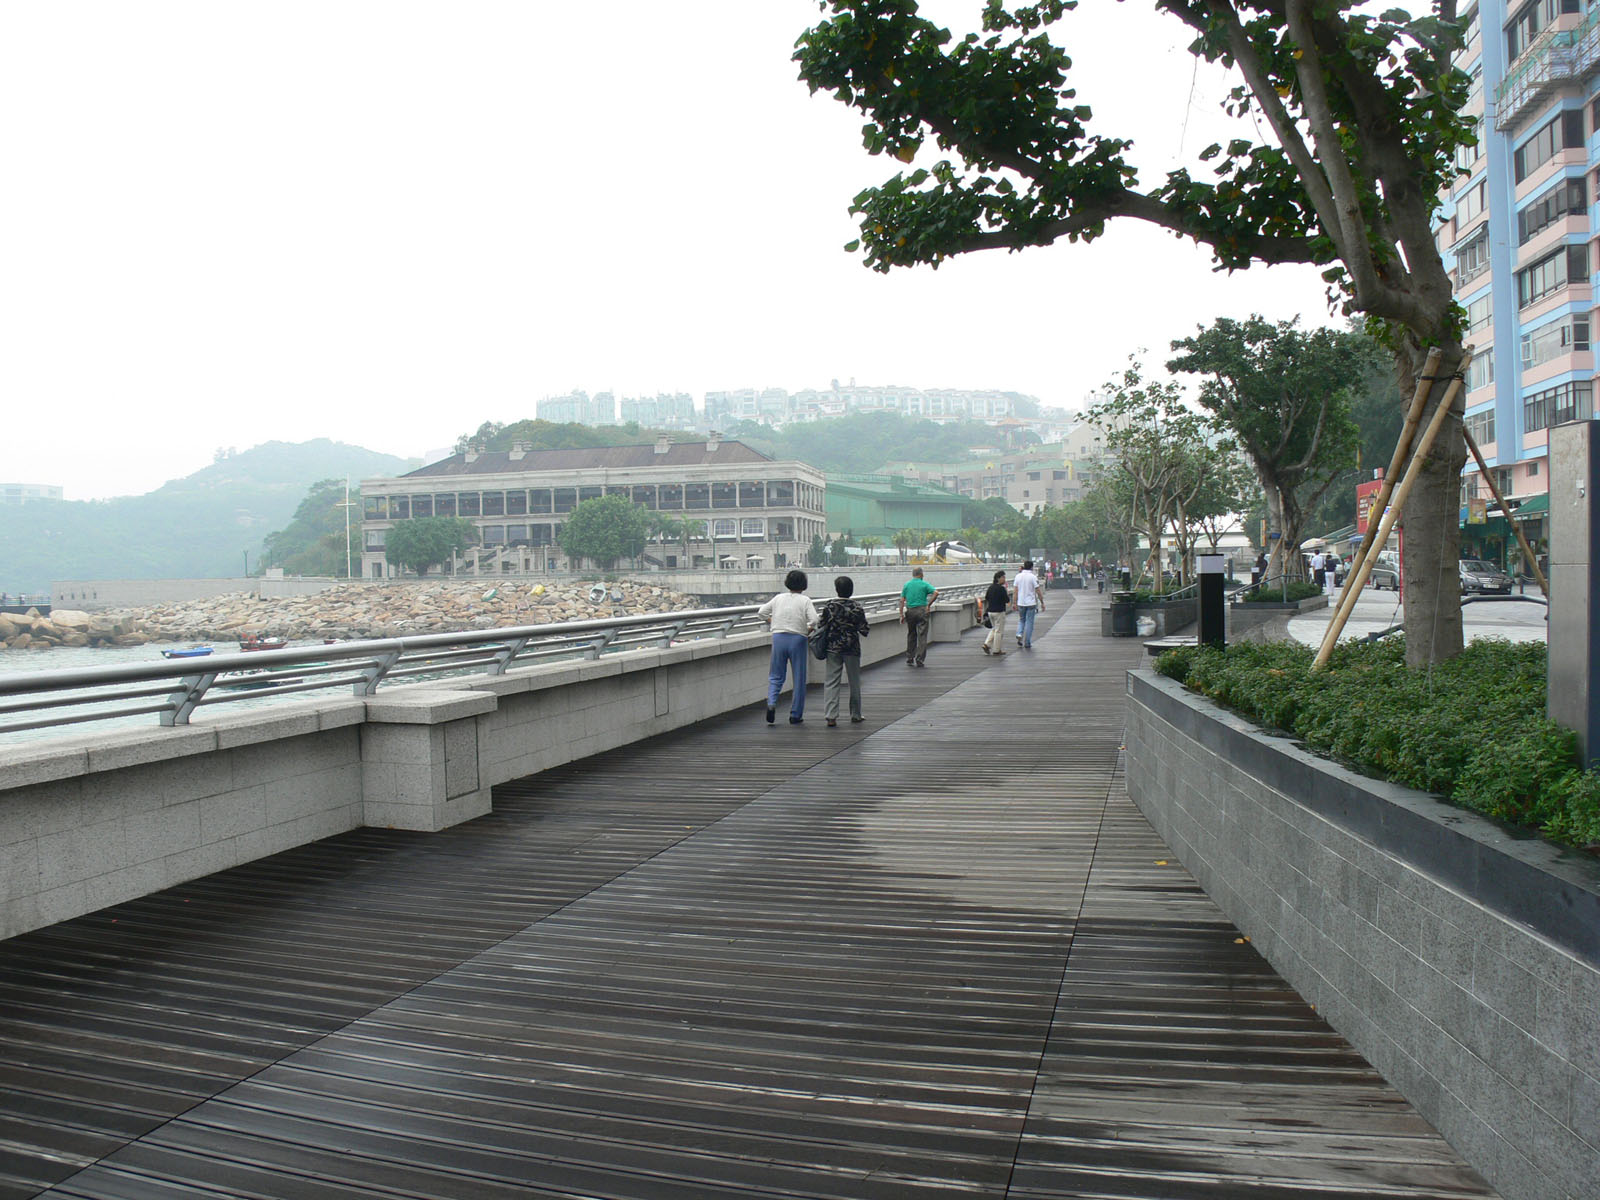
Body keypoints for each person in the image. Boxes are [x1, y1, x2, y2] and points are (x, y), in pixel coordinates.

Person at [757, 568, 819, 725]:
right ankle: (795, 715)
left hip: (778, 637)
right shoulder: (805, 600)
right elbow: (814, 620)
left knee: (776, 675)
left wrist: (773, 622)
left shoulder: (778, 598)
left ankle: (771, 703)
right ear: (803, 585)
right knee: (799, 677)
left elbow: (762, 613)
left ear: (787, 583)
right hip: (798, 638)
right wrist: (808, 630)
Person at [819, 575, 870, 727]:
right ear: (851, 590)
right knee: (854, 681)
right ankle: (856, 714)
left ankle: (831, 716)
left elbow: (821, 624)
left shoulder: (829, 606)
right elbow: (864, 629)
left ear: (836, 590)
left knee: (831, 681)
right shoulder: (857, 607)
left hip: (833, 647)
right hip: (852, 647)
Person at [898, 566, 939, 667]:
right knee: (922, 635)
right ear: (921, 574)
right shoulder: (924, 584)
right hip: (922, 610)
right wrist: (928, 605)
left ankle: (910, 657)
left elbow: (902, 600)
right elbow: (936, 592)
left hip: (910, 611)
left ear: (913, 574)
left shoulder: (907, 585)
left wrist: (901, 614)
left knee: (911, 634)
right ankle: (920, 659)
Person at [1013, 559, 1043, 649]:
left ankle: (1019, 633)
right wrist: (1042, 602)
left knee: (1022, 620)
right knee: (1029, 622)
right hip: (1031, 603)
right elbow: (1038, 590)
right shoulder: (1033, 577)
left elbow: (1015, 591)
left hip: (1021, 602)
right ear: (1031, 567)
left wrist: (1014, 602)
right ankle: (1027, 642)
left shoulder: (1018, 576)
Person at [980, 569, 1011, 656]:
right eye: (1003, 577)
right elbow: (1007, 600)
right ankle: (997, 650)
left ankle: (986, 644)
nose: (1004, 579)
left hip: (990, 611)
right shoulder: (1001, 589)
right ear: (998, 578)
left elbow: (986, 597)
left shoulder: (990, 587)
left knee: (994, 629)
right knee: (999, 631)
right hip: (999, 611)